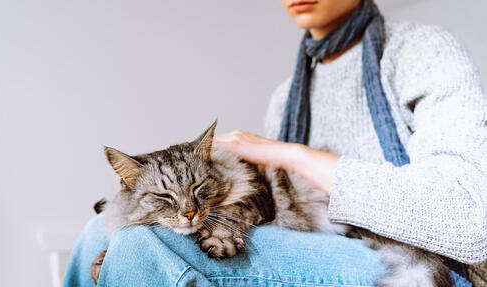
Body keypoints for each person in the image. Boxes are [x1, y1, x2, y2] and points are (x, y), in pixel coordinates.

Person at [64, 0, 487, 286]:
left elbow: (471, 223)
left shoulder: (423, 50)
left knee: (144, 245)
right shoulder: (289, 94)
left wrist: (292, 154)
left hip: (424, 261)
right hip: (323, 241)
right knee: (94, 235)